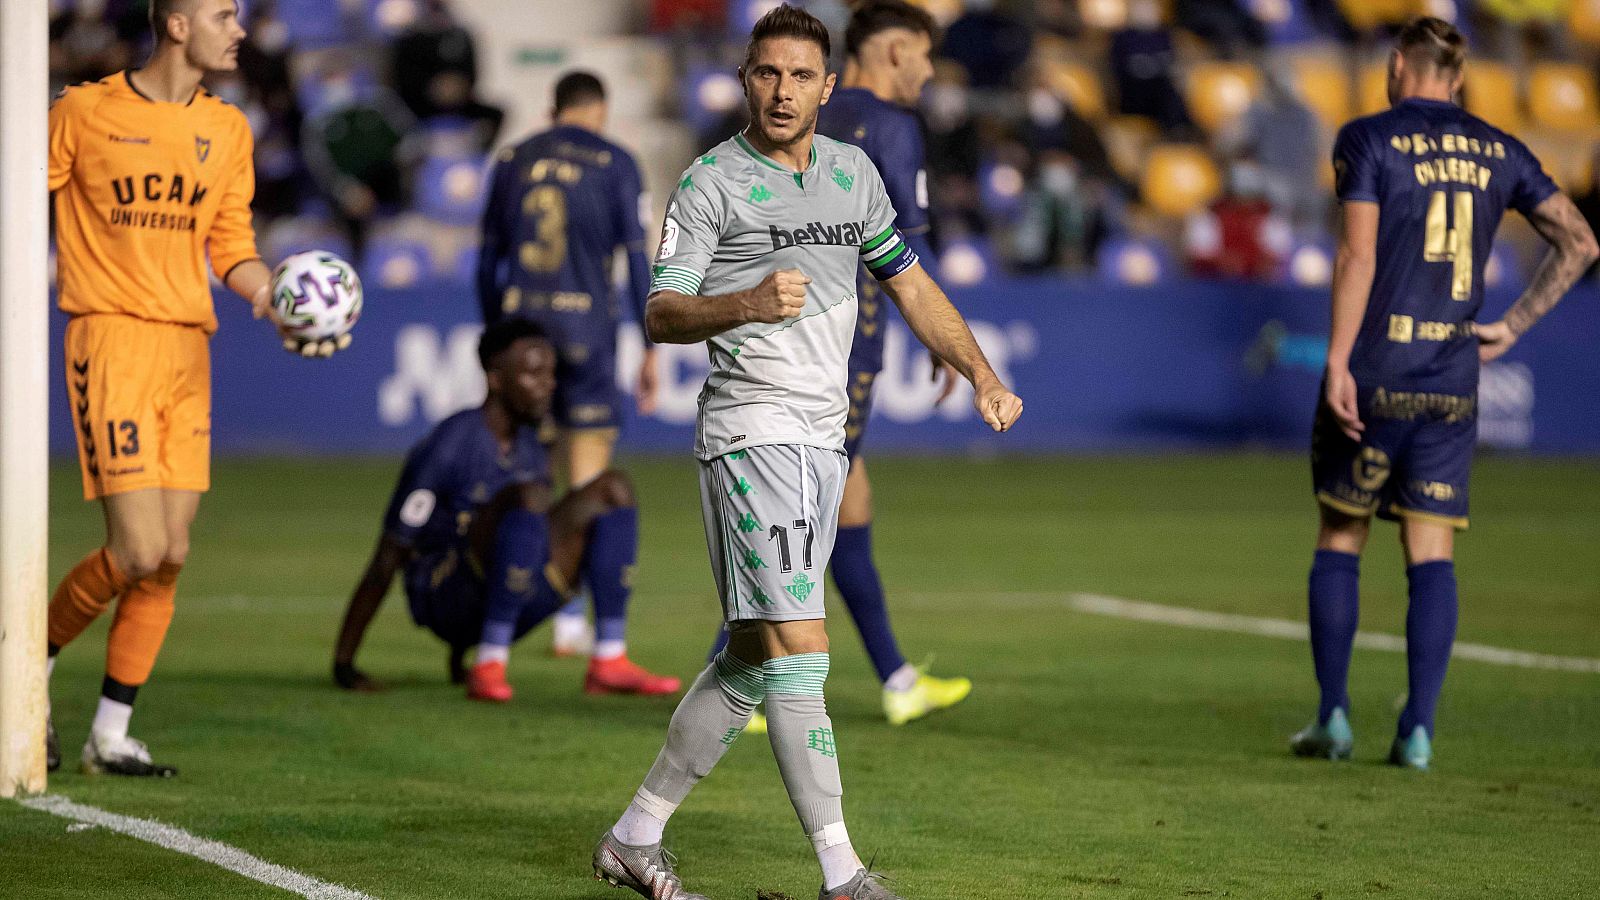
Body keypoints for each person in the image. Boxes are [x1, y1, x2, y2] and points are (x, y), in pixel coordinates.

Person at [591, 7, 1023, 899]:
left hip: (822, 440)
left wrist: (977, 368)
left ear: (829, 88)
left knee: (753, 656)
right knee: (801, 645)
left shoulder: (853, 173)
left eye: (799, 77)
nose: (782, 92)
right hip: (752, 431)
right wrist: (743, 302)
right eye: (766, 74)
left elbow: (910, 282)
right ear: (746, 79)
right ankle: (843, 873)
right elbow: (662, 311)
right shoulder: (712, 182)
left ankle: (636, 836)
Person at [44, 0, 345, 777]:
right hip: (111, 337)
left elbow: (231, 248)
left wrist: (276, 299)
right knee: (136, 546)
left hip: (187, 350)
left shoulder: (229, 130)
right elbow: (20, 203)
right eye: (223, 15)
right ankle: (24, 671)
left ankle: (110, 735)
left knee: (170, 555)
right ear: (177, 25)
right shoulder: (82, 111)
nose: (239, 30)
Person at [1292, 17, 1597, 771]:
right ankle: (1418, 730)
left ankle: (1333, 719)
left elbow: (1358, 253)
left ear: (1399, 66)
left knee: (1342, 536)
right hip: (1454, 380)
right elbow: (1581, 241)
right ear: (1457, 79)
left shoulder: (1367, 139)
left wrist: (1336, 359)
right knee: (1430, 552)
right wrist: (1514, 324)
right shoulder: (1502, 148)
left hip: (1378, 373)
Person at [705, 0, 970, 731]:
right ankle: (737, 677)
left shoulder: (794, 119)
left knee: (849, 507)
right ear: (890, 51)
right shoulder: (891, 127)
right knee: (808, 516)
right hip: (848, 348)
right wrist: (943, 339)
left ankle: (895, 677)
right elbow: (908, 253)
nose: (925, 71)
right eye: (919, 55)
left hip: (787, 338)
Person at [330, 320, 680, 701]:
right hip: (444, 600)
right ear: (496, 379)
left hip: (506, 597)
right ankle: (490, 662)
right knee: (527, 498)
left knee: (614, 489)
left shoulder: (534, 447)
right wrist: (345, 661)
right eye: (533, 374)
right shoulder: (449, 444)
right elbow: (390, 553)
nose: (549, 384)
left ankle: (608, 659)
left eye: (550, 373)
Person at [476, 70, 657, 659]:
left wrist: (495, 343)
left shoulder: (513, 157)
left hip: (523, 337)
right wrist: (650, 345)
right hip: (586, 334)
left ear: (554, 111)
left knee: (532, 482)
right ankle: (579, 626)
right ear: (599, 111)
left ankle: (512, 627)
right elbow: (634, 260)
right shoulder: (616, 162)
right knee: (587, 484)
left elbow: (487, 261)